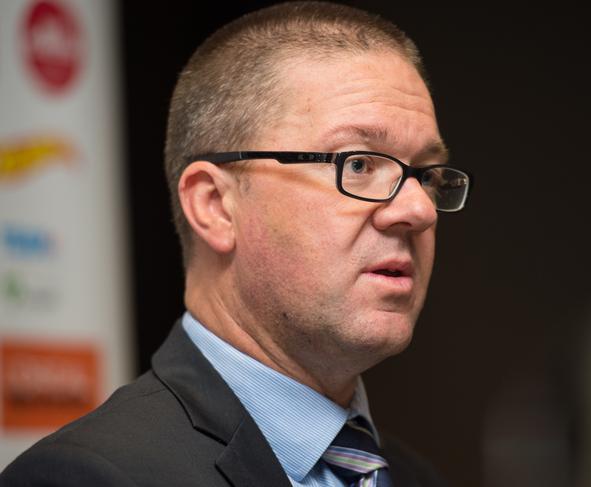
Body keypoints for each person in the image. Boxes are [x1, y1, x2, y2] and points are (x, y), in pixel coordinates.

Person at [1, 2, 470, 486]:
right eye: (358, 164)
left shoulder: (417, 478)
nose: (419, 210)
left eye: (427, 175)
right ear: (214, 206)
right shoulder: (89, 477)